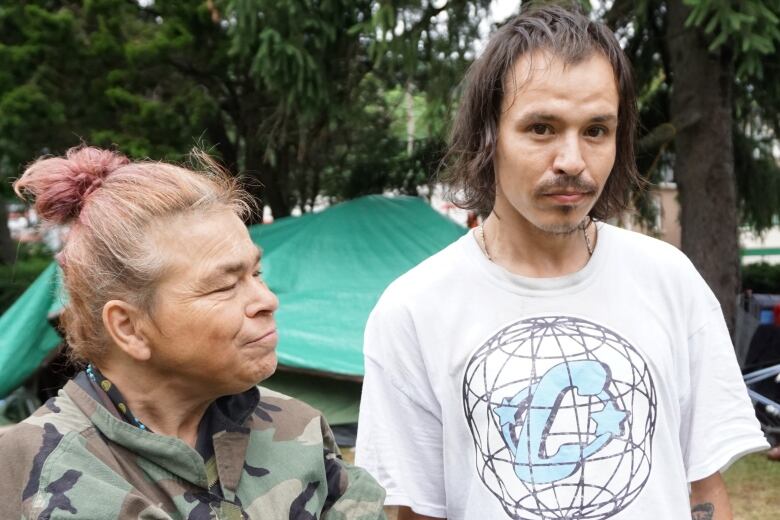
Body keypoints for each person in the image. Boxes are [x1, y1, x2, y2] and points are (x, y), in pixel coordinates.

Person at [355, 5, 767, 520]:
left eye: (596, 130)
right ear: (489, 137)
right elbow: (416, 513)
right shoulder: (414, 310)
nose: (572, 160)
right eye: (542, 128)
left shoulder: (670, 280)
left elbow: (703, 490)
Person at [0, 146, 386, 519]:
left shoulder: (295, 428)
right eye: (223, 286)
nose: (267, 300)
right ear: (129, 327)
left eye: (255, 273)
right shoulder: (34, 470)